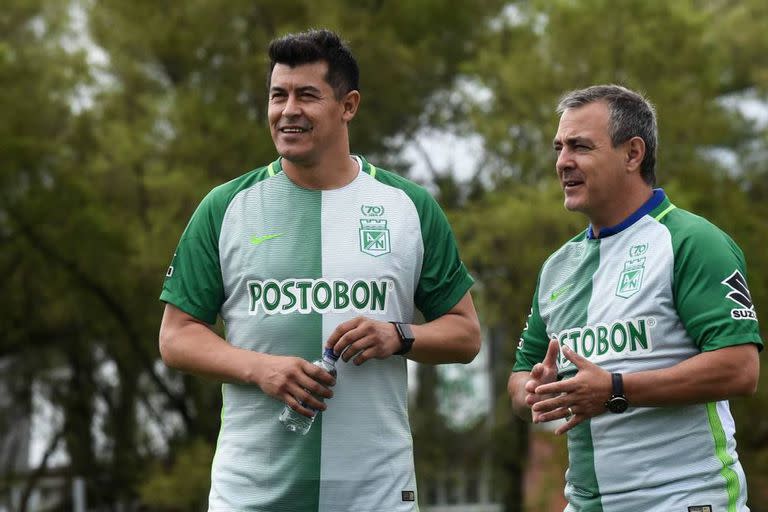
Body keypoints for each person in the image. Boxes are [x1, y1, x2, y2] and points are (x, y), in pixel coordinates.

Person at [158, 28, 480, 512]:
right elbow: (176, 336)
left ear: (348, 106)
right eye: (277, 95)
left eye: (307, 95)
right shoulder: (224, 208)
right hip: (252, 495)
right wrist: (260, 368)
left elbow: (465, 335)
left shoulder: (408, 206)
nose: (288, 110)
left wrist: (400, 335)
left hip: (375, 495)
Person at [507, 84, 762, 511]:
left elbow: (740, 368)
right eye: (559, 148)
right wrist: (534, 391)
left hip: (685, 498)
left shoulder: (693, 242)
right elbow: (519, 381)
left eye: (580, 146)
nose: (563, 162)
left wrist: (616, 389)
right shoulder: (557, 266)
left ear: (632, 154)